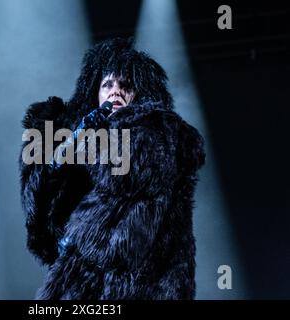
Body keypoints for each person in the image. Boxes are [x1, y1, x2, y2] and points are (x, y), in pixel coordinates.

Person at [19, 38, 206, 299]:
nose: (115, 91)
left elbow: (126, 177)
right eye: (107, 85)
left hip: (142, 284)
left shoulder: (161, 132)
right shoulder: (86, 133)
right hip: (84, 283)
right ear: (95, 93)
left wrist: (90, 140)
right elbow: (44, 208)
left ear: (140, 93)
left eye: (125, 85)